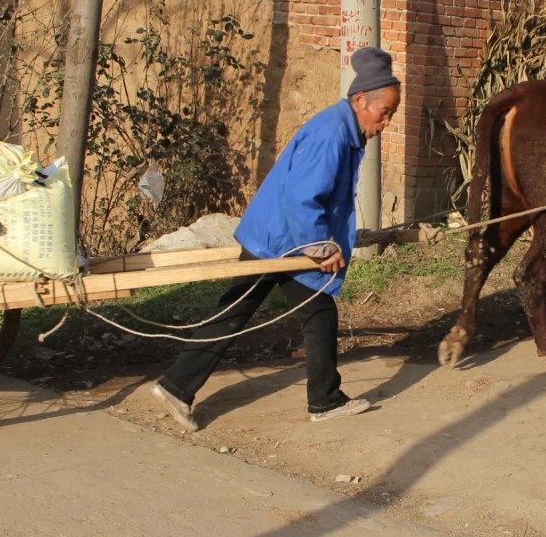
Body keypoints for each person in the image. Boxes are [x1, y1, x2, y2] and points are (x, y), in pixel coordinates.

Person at [150, 46, 401, 431]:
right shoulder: (331, 135)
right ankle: (324, 401)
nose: (386, 123)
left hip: (274, 234)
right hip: (283, 238)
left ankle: (177, 386)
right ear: (360, 99)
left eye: (392, 115)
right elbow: (302, 198)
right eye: (385, 113)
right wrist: (320, 247)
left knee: (239, 310)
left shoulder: (343, 128)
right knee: (312, 313)